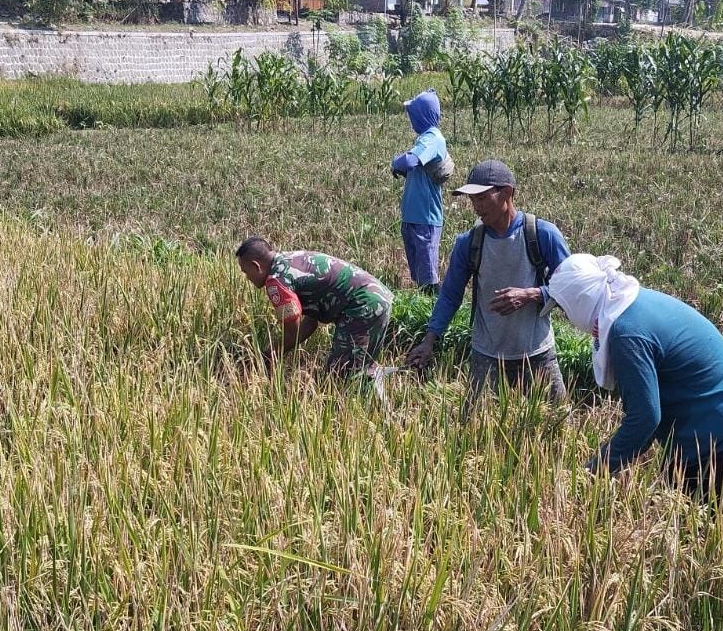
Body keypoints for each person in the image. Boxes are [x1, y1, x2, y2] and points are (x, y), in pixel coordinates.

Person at [547, 253, 723, 512]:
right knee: (686, 518)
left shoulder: (627, 334)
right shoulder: (632, 303)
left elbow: (645, 418)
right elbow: (646, 421)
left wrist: (592, 473)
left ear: (580, 301)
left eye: (563, 308)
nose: (565, 316)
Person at [403, 160, 570, 403]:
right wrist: (429, 341)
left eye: (482, 198)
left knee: (556, 424)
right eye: (472, 200)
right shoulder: (468, 243)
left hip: (536, 352)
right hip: (486, 354)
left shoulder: (541, 234)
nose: (476, 207)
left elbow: (572, 287)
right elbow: (450, 296)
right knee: (475, 427)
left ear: (506, 193)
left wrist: (531, 295)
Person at [235, 237, 393, 377]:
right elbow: (310, 324)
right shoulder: (292, 259)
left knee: (342, 374)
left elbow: (292, 331)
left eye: (245, 272)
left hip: (362, 305)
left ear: (256, 266)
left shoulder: (277, 282)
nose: (247, 277)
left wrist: (267, 356)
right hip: (377, 298)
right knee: (359, 368)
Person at [391, 90, 449, 294]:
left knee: (428, 275)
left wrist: (394, 163)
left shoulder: (432, 138)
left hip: (425, 217)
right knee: (419, 272)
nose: (411, 120)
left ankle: (433, 311)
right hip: (414, 215)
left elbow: (409, 161)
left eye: (413, 115)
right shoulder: (424, 139)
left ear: (422, 115)